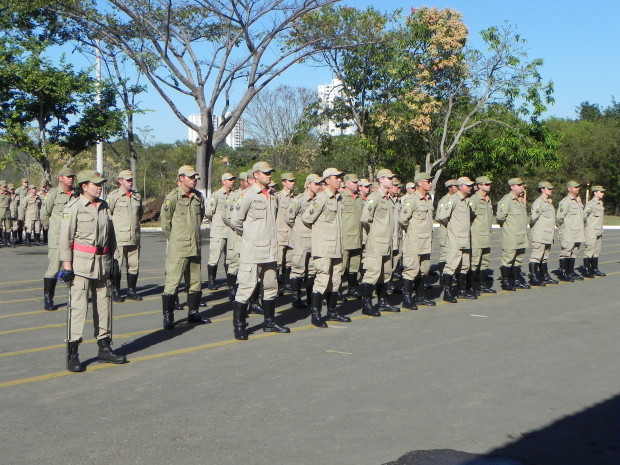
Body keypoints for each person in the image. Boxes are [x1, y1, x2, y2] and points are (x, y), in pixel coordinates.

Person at [58, 170, 127, 372]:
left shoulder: (104, 206)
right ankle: (73, 353)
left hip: (102, 263)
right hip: (80, 265)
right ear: (84, 186)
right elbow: (65, 240)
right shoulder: (73, 207)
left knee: (104, 306)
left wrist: (114, 261)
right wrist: (67, 267)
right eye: (95, 184)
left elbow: (111, 236)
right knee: (78, 308)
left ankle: (104, 347)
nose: (99, 187)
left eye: (100, 184)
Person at [230, 162, 290, 340]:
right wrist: (251, 236)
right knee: (246, 288)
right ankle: (239, 326)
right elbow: (236, 221)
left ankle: (269, 322)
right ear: (255, 175)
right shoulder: (247, 195)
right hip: (253, 251)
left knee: (270, 287)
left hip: (270, 250)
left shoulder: (271, 195)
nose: (268, 175)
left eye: (270, 173)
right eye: (265, 173)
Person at [160, 165, 211, 329]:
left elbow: (200, 217)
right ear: (181, 178)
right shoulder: (172, 197)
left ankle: (193, 313)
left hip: (195, 245)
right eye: (190, 177)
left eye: (195, 177)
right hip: (178, 247)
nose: (194, 180)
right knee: (172, 282)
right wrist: (175, 239)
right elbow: (165, 223)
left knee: (195, 282)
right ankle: (168, 316)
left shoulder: (198, 197)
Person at [301, 168, 351, 327]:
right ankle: (315, 314)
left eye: (340, 177)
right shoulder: (321, 198)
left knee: (335, 280)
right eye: (336, 177)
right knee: (322, 279)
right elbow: (307, 218)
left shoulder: (339, 198)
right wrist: (320, 233)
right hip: (323, 247)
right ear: (327, 180)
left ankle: (332, 311)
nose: (340, 180)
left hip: (337, 246)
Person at [359, 169, 400, 316]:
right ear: (381, 179)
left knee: (386, 273)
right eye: (389, 178)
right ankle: (366, 305)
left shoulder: (389, 198)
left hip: (388, 243)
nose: (392, 180)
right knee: (372, 273)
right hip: (376, 243)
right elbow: (365, 219)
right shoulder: (374, 197)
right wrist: (374, 234)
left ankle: (383, 302)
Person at [41, 168, 79, 310]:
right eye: (68, 176)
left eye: (72, 176)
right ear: (60, 178)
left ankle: (74, 298)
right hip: (57, 238)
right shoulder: (53, 194)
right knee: (54, 269)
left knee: (74, 269)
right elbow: (44, 215)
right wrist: (53, 229)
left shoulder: (77, 194)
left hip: (74, 238)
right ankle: (48, 299)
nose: (70, 179)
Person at [435, 177, 476, 303]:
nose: (470, 187)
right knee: (451, 266)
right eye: (468, 185)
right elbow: (441, 216)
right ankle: (447, 293)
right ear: (460, 186)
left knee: (465, 266)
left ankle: (462, 291)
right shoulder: (453, 199)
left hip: (465, 239)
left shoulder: (466, 200)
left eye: (471, 185)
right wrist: (452, 227)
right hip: (455, 239)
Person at [399, 172, 436, 310]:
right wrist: (413, 231)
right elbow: (402, 219)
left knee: (424, 270)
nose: (430, 183)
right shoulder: (412, 199)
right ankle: (407, 298)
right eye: (428, 181)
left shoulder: (428, 199)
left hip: (426, 241)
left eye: (431, 181)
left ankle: (420, 296)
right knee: (411, 270)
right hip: (414, 241)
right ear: (419, 183)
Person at [106, 170, 143, 301]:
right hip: (119, 238)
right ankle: (115, 291)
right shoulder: (113, 196)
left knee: (134, 265)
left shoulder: (136, 196)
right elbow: (107, 215)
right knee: (117, 266)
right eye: (127, 180)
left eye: (131, 180)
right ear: (120, 181)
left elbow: (140, 214)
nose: (130, 182)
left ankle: (131, 290)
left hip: (134, 238)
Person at [286, 174, 322, 309]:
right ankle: (296, 298)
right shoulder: (299, 200)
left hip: (314, 239)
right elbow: (289, 218)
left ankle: (310, 297)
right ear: (308, 185)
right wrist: (298, 229)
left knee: (312, 269)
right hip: (300, 240)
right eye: (316, 184)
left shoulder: (319, 199)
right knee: (298, 268)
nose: (318, 186)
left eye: (319, 184)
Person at [496, 178, 530, 291]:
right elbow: (500, 217)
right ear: (512, 187)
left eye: (522, 185)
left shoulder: (521, 200)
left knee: (518, 259)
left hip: (521, 235)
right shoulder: (507, 200)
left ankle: (516, 280)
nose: (522, 187)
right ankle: (506, 282)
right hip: (511, 236)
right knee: (508, 259)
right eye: (519, 185)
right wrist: (508, 228)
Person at [205, 173, 235, 290]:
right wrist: (216, 221)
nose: (232, 181)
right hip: (219, 230)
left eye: (232, 179)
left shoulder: (234, 194)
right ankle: (211, 281)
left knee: (230, 258)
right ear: (223, 181)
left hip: (230, 231)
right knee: (215, 256)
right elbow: (208, 212)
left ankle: (230, 281)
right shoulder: (216, 195)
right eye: (229, 180)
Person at [470, 176, 496, 294]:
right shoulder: (474, 199)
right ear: (479, 185)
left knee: (485, 261)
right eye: (486, 184)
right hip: (476, 236)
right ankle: (470, 286)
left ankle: (482, 284)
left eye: (489, 184)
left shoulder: (488, 199)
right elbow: (469, 218)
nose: (489, 186)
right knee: (474, 262)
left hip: (487, 235)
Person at [528, 181, 558, 285]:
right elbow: (533, 218)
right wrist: (535, 230)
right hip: (540, 234)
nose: (551, 190)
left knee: (544, 257)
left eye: (551, 189)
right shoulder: (539, 202)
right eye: (548, 189)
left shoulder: (548, 202)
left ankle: (544, 276)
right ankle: (534, 277)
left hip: (547, 234)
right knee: (536, 256)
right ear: (542, 189)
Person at [340, 173, 364, 299]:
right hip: (345, 237)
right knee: (341, 266)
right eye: (354, 182)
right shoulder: (341, 197)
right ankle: (337, 290)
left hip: (357, 236)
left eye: (357, 182)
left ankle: (352, 288)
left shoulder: (359, 198)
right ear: (346, 183)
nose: (356, 184)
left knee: (355, 264)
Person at [556, 180, 585, 281]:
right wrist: (562, 227)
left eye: (578, 187)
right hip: (568, 232)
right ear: (569, 189)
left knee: (574, 252)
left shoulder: (578, 200)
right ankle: (563, 273)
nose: (578, 188)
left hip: (578, 232)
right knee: (566, 252)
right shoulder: (565, 202)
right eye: (575, 187)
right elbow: (559, 217)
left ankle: (570, 271)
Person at [275, 172, 296, 294]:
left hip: (291, 234)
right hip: (280, 233)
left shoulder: (295, 197)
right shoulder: (278, 197)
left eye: (293, 181)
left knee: (289, 260)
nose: (293, 183)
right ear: (284, 183)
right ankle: (276, 285)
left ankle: (286, 283)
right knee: (278, 261)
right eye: (290, 181)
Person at [435, 179, 459, 276]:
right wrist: (450, 224)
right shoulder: (445, 200)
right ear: (449, 188)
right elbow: (439, 217)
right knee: (444, 254)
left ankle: (452, 274)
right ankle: (443, 275)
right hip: (446, 229)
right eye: (455, 186)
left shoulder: (457, 199)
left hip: (455, 231)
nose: (457, 188)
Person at [583, 185, 606, 277]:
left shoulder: (600, 203)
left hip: (598, 231)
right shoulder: (590, 204)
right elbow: (584, 216)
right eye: (601, 192)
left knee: (596, 251)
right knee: (589, 250)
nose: (602, 193)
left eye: (603, 192)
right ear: (595, 192)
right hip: (591, 231)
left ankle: (594, 269)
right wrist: (588, 226)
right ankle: (586, 270)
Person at [0, 181, 12, 247]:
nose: (5, 187)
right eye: (4, 186)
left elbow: (9, 202)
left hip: (7, 212)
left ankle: (8, 241)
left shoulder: (8, 194)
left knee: (8, 227)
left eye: (5, 186)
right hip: (0, 211)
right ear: (0, 186)